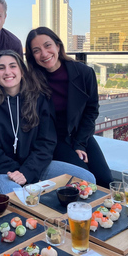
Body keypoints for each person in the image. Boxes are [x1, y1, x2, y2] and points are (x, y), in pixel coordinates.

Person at [0, 50, 95, 194]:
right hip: (0, 171)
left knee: (86, 178)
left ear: (22, 70)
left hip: (34, 166)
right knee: (17, 195)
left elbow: (46, 142)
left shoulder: (38, 99)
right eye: (1, 68)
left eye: (13, 66)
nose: (7, 72)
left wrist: (27, 172)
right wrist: (20, 173)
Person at [25, 27, 113, 188]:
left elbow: (91, 110)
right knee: (84, 180)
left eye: (48, 46)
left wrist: (80, 143)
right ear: (32, 56)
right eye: (36, 50)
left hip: (79, 134)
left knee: (105, 179)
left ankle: (105, 213)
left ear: (58, 46)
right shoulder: (31, 81)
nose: (44, 54)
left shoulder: (84, 72)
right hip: (53, 139)